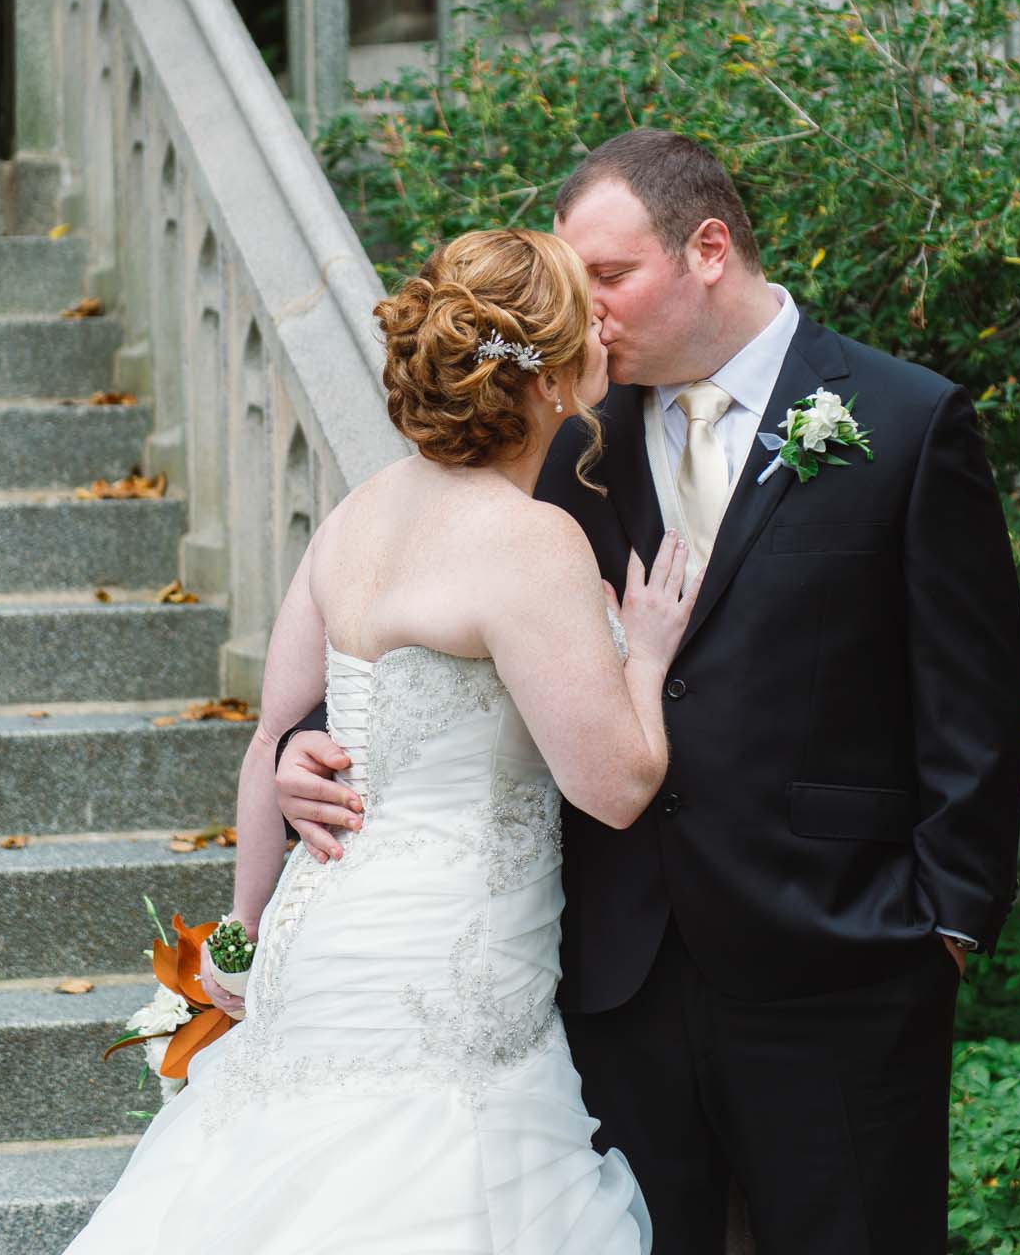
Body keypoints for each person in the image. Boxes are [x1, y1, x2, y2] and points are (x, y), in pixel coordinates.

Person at [279, 130, 1020, 1255]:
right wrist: (307, 740)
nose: (590, 318)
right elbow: (421, 604)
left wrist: (944, 927)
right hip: (609, 969)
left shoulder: (906, 420)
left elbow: (973, 699)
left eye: (613, 279)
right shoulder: (559, 431)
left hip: (838, 966)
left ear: (709, 248)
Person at [65, 227, 701, 1255]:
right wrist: (647, 654)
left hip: (318, 944)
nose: (608, 335)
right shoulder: (531, 540)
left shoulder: (355, 515)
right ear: (553, 381)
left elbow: (274, 735)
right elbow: (617, 785)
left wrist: (241, 932)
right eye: (592, 320)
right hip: (449, 971)